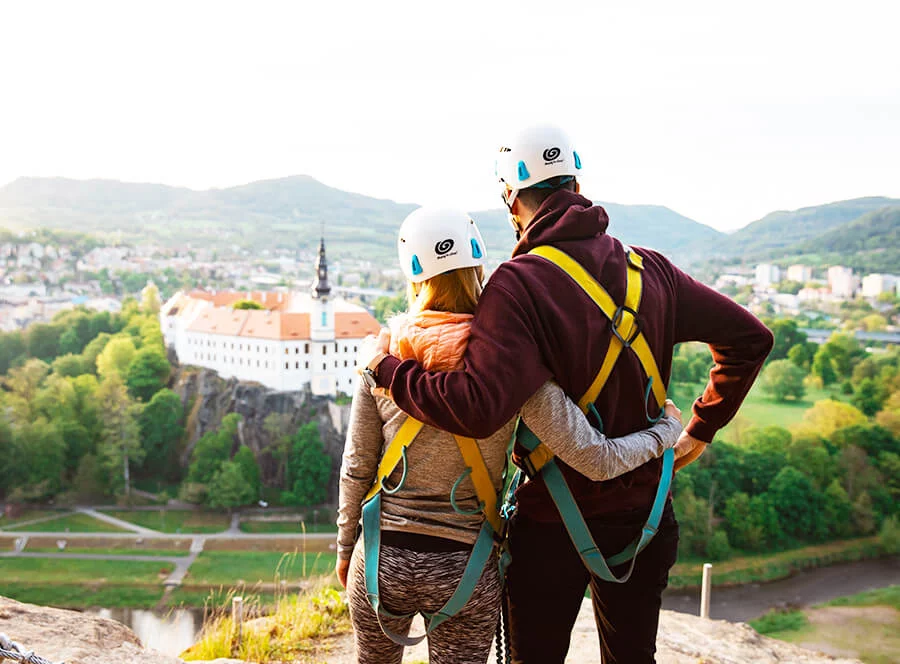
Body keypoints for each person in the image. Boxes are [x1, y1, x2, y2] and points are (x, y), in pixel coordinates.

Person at [362, 125, 774, 663]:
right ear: (576, 182)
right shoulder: (651, 271)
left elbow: (476, 407)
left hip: (552, 517)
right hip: (645, 512)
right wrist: (701, 424)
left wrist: (390, 371)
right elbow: (750, 338)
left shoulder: (517, 285)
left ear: (511, 199)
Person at [337, 206, 685, 664]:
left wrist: (346, 550)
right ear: (479, 265)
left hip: (382, 559)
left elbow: (357, 468)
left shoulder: (382, 358)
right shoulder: (513, 365)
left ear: (413, 273)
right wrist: (665, 431)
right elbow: (596, 459)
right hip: (466, 565)